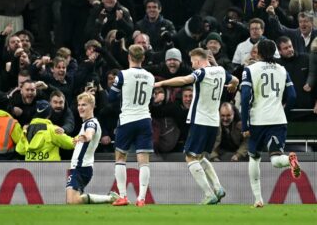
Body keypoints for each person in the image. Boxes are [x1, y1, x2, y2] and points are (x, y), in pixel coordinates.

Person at [154, 47, 239, 205]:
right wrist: (233, 87)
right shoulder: (220, 70)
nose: (192, 66)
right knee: (200, 156)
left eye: (193, 62)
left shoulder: (202, 73)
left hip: (200, 120)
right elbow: (235, 80)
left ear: (199, 60)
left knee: (190, 157)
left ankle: (209, 194)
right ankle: (218, 188)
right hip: (214, 122)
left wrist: (161, 83)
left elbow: (184, 80)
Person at [241, 39, 301, 208]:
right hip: (277, 119)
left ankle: (258, 199)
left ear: (258, 53)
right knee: (275, 160)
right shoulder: (282, 69)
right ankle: (289, 159)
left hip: (257, 120)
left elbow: (245, 98)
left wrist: (245, 125)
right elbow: (293, 96)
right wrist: (283, 110)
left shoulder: (250, 70)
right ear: (275, 52)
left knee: (254, 157)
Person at [108, 44, 155, 207]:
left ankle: (123, 196)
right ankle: (141, 198)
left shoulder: (122, 75)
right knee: (144, 161)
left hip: (127, 119)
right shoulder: (150, 76)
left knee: (120, 157)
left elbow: (111, 98)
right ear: (143, 58)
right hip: (144, 119)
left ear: (129, 57)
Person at [66, 92, 119, 204]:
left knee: (73, 201)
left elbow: (90, 134)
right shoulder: (87, 123)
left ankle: (111, 198)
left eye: (84, 105)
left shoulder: (91, 123)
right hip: (79, 167)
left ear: (92, 106)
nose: (80, 107)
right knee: (72, 201)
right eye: (79, 105)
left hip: (81, 167)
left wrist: (86, 136)